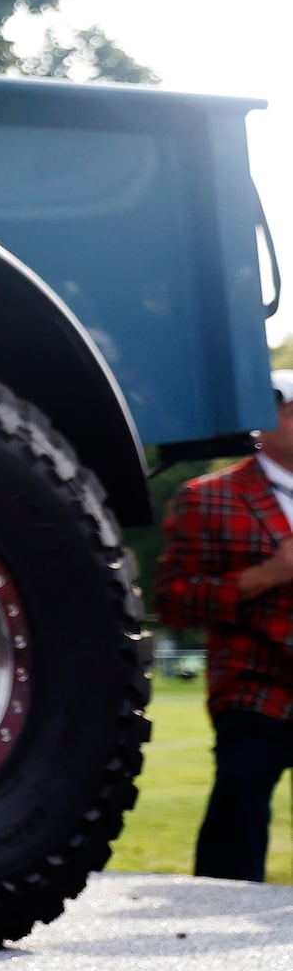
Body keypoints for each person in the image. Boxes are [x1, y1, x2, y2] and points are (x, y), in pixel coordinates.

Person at [155, 367, 293, 881]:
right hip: (255, 684)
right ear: (263, 422)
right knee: (240, 795)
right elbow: (173, 600)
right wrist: (266, 575)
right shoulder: (207, 496)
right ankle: (220, 902)